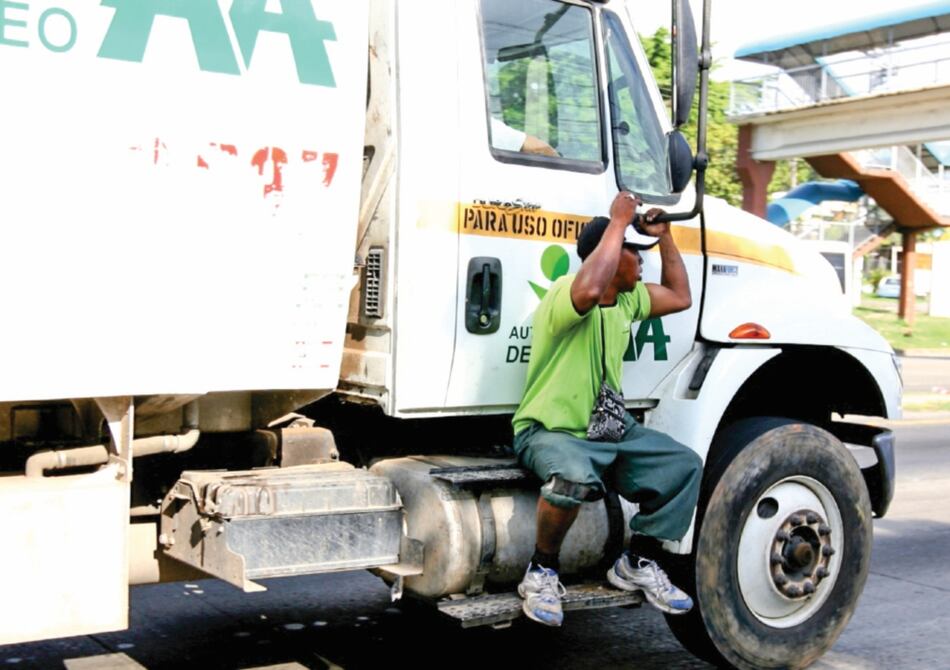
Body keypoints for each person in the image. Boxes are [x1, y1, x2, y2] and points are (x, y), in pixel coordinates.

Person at [511, 190, 702, 627]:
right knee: (573, 476)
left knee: (683, 466)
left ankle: (636, 562)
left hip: (609, 431)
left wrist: (666, 236)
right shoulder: (567, 293)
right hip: (553, 432)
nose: (643, 264)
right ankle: (541, 571)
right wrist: (618, 223)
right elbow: (591, 286)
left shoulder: (629, 300)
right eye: (637, 255)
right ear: (614, 257)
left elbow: (680, 294)